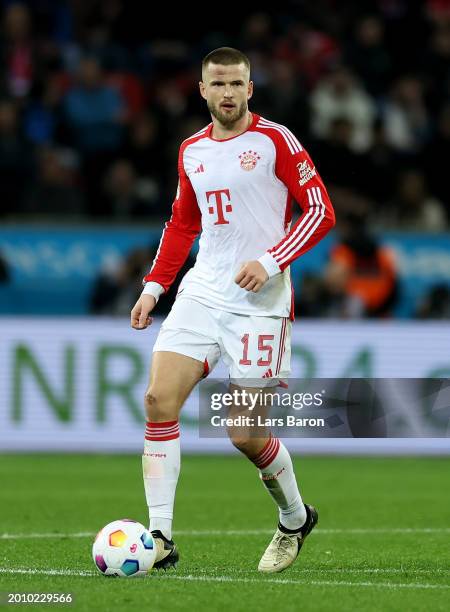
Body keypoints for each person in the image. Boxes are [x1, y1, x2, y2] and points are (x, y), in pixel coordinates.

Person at [130, 47, 335, 573]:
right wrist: (155, 288)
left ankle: (294, 518)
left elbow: (320, 211)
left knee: (243, 433)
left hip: (260, 302)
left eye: (236, 84)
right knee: (157, 399)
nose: (227, 93)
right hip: (203, 291)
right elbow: (181, 224)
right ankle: (160, 536)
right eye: (218, 84)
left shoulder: (275, 141)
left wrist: (270, 261)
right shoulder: (191, 151)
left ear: (250, 88)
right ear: (202, 90)